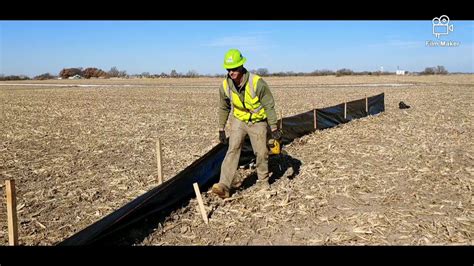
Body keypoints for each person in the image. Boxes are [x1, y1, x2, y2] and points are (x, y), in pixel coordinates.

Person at [211, 49, 281, 199]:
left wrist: (274, 127)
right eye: (229, 69)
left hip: (257, 121)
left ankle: (263, 182)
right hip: (239, 119)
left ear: (242, 66)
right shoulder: (224, 86)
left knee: (261, 152)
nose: (231, 72)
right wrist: (221, 129)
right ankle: (224, 185)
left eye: (234, 68)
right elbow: (224, 107)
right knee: (233, 148)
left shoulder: (257, 82)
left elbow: (269, 105)